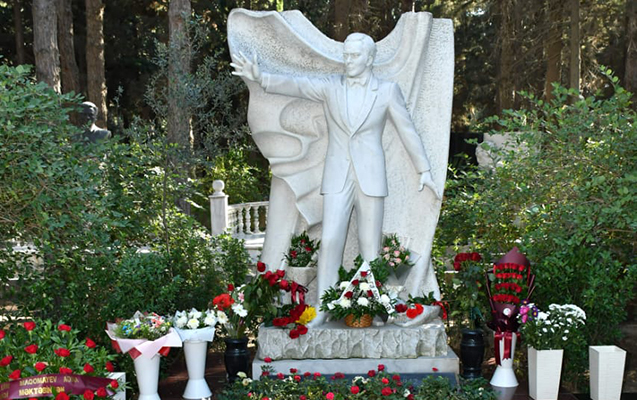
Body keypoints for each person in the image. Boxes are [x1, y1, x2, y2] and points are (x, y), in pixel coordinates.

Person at [232, 32, 439, 326]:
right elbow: (298, 85)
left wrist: (424, 170)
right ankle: (323, 306)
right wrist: (260, 77)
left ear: (369, 58)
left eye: (354, 55)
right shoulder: (331, 87)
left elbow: (407, 130)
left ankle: (373, 306)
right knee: (330, 240)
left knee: (370, 246)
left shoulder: (387, 90)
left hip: (371, 177)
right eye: (346, 55)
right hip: (337, 175)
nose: (348, 61)